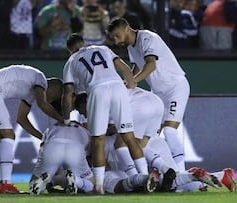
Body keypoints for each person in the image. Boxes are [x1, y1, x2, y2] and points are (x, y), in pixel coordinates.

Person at [61, 33, 149, 194]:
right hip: (117, 87)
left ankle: (99, 186)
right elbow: (124, 68)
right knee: (129, 136)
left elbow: (67, 94)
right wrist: (131, 84)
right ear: (85, 43)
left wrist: (66, 120)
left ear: (70, 50)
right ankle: (145, 177)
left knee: (98, 140)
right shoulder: (103, 48)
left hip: (97, 90)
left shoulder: (71, 61)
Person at [107, 18, 190, 173]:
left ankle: (182, 173)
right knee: (151, 138)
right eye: (113, 38)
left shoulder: (147, 38)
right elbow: (137, 66)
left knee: (170, 131)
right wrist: (129, 83)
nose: (116, 41)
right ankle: (164, 172)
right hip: (157, 93)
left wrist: (132, 81)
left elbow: (151, 65)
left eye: (117, 35)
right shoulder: (132, 47)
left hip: (175, 87)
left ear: (127, 29)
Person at [0, 65, 64, 194]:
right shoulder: (41, 79)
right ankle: (6, 184)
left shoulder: (31, 93)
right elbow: (43, 104)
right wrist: (62, 120)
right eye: (55, 96)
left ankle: (1, 185)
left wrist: (42, 137)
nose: (51, 100)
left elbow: (21, 119)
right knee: (8, 136)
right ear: (54, 86)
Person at [29, 121, 94, 195]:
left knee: (35, 180)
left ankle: (51, 181)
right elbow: (90, 156)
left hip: (52, 146)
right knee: (91, 185)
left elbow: (43, 148)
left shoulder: (50, 128)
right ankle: (76, 180)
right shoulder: (84, 131)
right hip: (75, 148)